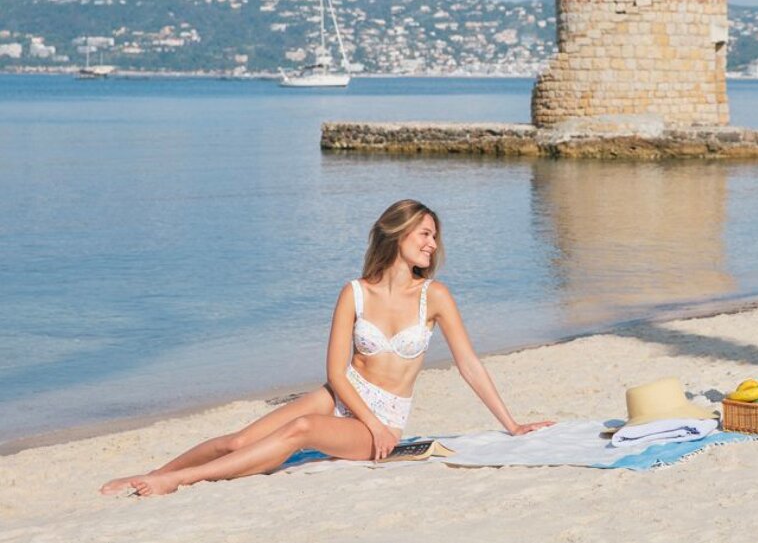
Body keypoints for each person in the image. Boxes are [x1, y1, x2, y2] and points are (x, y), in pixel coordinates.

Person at [102, 199, 553, 496]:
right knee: (238, 440)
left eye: (435, 237)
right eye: (425, 235)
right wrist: (363, 415)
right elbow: (337, 372)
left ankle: (178, 481)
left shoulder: (434, 296)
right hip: (342, 393)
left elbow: (469, 365)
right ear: (398, 234)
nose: (433, 246)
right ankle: (156, 473)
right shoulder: (354, 292)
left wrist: (512, 425)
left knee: (300, 430)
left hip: (387, 416)